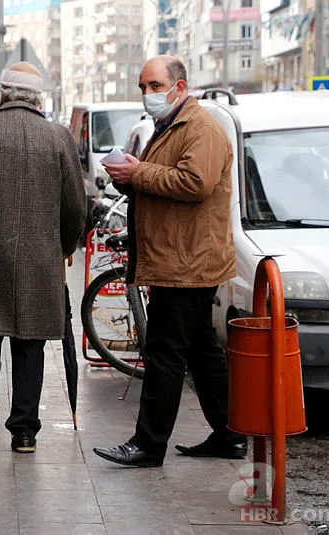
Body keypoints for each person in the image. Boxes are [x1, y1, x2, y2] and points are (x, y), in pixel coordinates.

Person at [93, 56, 246, 468]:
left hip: (187, 263)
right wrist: (129, 176)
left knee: (165, 353)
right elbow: (165, 181)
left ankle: (148, 444)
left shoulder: (202, 128)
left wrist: (138, 173)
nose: (147, 94)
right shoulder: (171, 125)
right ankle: (231, 434)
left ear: (179, 87)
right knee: (200, 351)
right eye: (142, 86)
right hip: (180, 258)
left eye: (154, 85)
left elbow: (195, 183)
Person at [0, 62, 87, 453]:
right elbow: (76, 206)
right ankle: (25, 430)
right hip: (40, 257)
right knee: (30, 342)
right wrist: (64, 246)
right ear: (37, 98)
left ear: (3, 93)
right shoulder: (58, 137)